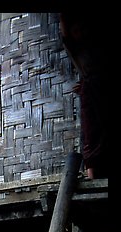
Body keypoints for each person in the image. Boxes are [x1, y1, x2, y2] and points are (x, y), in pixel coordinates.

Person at [59, 12, 108, 179]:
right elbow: (65, 34)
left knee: (101, 131)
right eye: (76, 30)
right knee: (90, 133)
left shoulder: (97, 47)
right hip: (90, 90)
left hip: (101, 89)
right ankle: (91, 173)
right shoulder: (76, 50)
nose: (79, 32)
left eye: (82, 29)